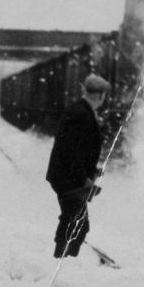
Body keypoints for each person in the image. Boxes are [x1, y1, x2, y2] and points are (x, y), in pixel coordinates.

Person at [45, 73, 111, 258]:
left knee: (75, 221)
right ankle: (62, 260)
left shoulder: (81, 111)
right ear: (99, 95)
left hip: (68, 176)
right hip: (68, 178)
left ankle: (63, 259)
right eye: (104, 96)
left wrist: (92, 171)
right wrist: (84, 179)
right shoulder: (80, 114)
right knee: (77, 223)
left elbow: (78, 150)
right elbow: (70, 151)